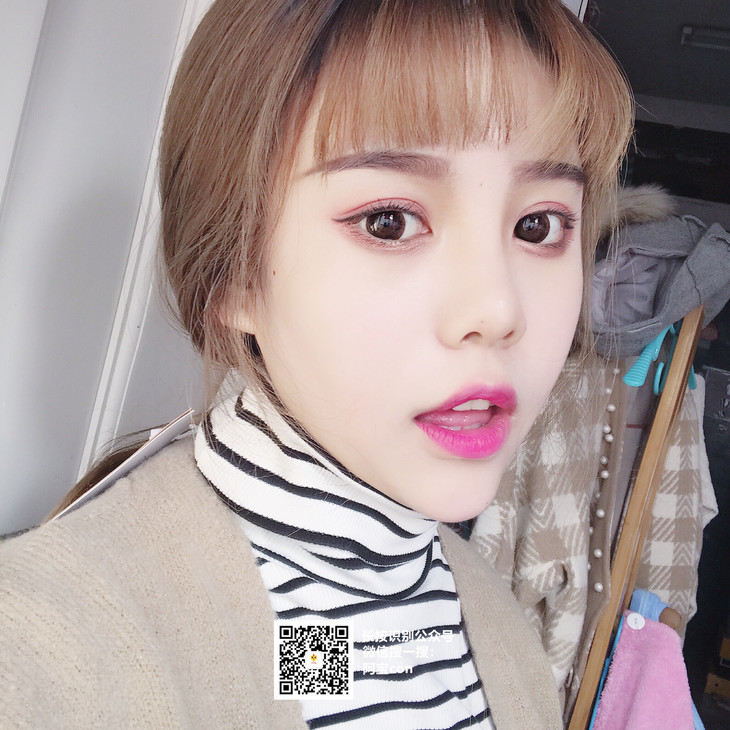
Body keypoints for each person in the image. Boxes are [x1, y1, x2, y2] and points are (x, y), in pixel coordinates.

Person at [0, 0, 632, 727]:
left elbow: (318, 672)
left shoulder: (496, 632)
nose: (497, 310)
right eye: (389, 222)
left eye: (538, 226)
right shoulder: (46, 651)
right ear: (237, 272)